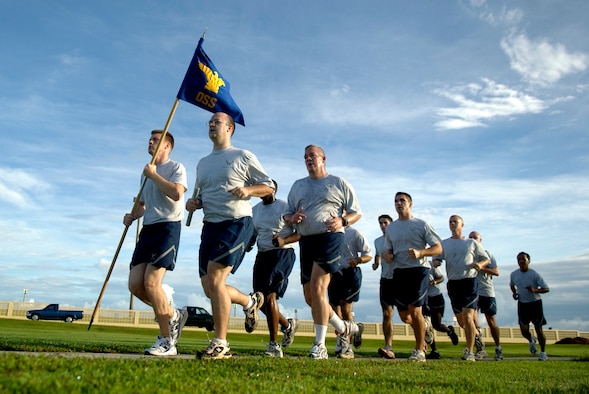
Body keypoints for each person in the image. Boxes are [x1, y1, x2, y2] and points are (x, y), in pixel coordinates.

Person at [186, 112, 274, 360]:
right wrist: (195, 202)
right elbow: (206, 194)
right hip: (210, 225)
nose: (212, 124)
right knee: (210, 288)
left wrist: (248, 189)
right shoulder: (202, 163)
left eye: (217, 121)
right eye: (210, 122)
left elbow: (268, 186)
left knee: (216, 279)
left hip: (236, 222)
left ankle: (221, 344)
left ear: (230, 128)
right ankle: (249, 302)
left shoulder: (242, 156)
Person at [284, 144, 364, 359]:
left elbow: (357, 212)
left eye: (312, 156)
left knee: (319, 289)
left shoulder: (338, 183)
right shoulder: (298, 186)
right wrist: (291, 218)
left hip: (330, 238)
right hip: (306, 240)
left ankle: (320, 345)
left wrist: (343, 220)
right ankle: (344, 328)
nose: (308, 159)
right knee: (311, 298)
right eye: (305, 157)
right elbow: (287, 214)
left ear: (323, 158)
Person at [125, 129, 188, 356]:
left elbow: (176, 194)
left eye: (155, 140)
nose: (150, 142)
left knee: (152, 283)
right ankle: (173, 314)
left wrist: (154, 175)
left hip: (167, 227)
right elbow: (142, 204)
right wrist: (132, 215)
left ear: (167, 146)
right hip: (148, 229)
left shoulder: (175, 168)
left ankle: (166, 341)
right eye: (149, 139)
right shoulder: (145, 173)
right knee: (136, 285)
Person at [381, 192, 443, 362]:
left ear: (410, 204)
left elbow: (438, 248)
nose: (398, 203)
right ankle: (425, 326)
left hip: (418, 271)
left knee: (415, 311)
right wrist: (387, 256)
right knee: (404, 316)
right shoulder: (392, 228)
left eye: (402, 200)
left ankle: (419, 350)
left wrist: (421, 252)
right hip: (399, 272)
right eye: (396, 201)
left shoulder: (421, 225)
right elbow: (388, 250)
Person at [251, 180, 300, 358]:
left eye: (267, 187)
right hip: (262, 254)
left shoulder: (285, 207)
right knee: (259, 300)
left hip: (282, 253)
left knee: (270, 294)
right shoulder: (255, 210)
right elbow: (253, 232)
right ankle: (287, 325)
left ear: (273, 189)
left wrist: (284, 240)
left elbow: (301, 232)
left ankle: (274, 345)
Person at [439, 215, 489, 362]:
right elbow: (438, 257)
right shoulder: (445, 243)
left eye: (455, 222)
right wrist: (435, 262)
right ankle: (477, 335)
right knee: (462, 322)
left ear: (462, 225)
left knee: (468, 317)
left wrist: (480, 265)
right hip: (453, 284)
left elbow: (486, 259)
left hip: (469, 282)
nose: (452, 224)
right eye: (450, 222)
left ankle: (470, 351)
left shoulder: (471, 243)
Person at [329, 225, 372, 359]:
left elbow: (368, 255)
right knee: (335, 311)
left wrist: (358, 260)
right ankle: (351, 333)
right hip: (334, 273)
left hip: (350, 273)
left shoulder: (354, 233)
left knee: (346, 309)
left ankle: (348, 348)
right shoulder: (330, 232)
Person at [510, 252, 550, 361]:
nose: (521, 261)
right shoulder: (514, 274)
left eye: (523, 259)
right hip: (522, 304)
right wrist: (514, 293)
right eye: (519, 259)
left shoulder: (534, 274)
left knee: (538, 328)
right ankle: (531, 340)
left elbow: (546, 289)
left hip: (535, 303)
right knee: (523, 330)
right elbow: (512, 284)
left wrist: (535, 290)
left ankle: (543, 352)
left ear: (528, 261)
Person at [469, 231, 502, 360]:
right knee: (471, 318)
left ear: (480, 240)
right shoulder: (468, 254)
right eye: (470, 238)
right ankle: (480, 347)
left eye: (475, 238)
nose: (473, 240)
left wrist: (481, 267)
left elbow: (496, 271)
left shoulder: (488, 255)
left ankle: (498, 347)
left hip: (487, 291)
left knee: (491, 320)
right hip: (472, 291)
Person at [423, 258, 460, 359]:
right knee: (426, 326)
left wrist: (434, 282)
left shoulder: (430, 266)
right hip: (424, 300)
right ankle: (434, 350)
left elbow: (441, 278)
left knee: (436, 325)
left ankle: (449, 331)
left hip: (436, 298)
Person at [372, 214, 396, 359]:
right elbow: (377, 254)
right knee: (387, 313)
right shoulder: (378, 241)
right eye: (380, 223)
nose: (383, 226)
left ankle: (425, 331)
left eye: (385, 223)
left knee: (408, 315)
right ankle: (388, 346)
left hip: (400, 279)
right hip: (385, 280)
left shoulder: (397, 239)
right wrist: (376, 263)